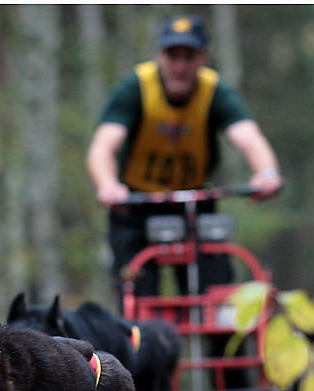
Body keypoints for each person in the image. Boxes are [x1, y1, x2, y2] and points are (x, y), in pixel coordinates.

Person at [86, 14, 283, 300]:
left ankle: (222, 342)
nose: (180, 65)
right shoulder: (136, 88)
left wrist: (267, 172)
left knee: (218, 296)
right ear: (159, 56)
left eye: (188, 56)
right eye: (172, 55)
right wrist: (108, 185)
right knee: (137, 300)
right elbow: (102, 146)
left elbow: (249, 138)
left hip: (194, 205)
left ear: (203, 57)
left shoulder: (214, 91)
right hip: (135, 206)